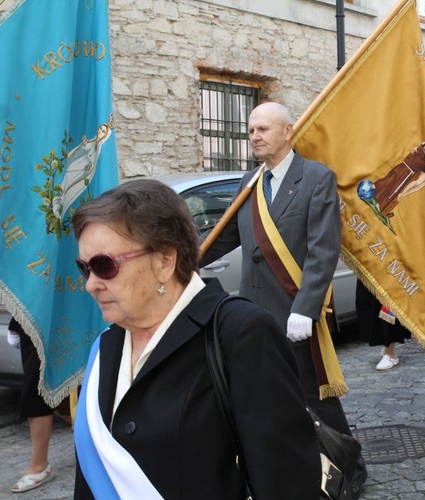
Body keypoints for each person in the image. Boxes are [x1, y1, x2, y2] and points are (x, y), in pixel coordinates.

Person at [71, 179, 321, 499]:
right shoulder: (105, 347)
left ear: (164, 260)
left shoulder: (240, 333)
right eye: (84, 268)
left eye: (104, 266)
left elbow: (287, 483)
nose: (91, 285)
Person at [199, 102, 367, 493]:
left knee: (314, 399)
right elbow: (224, 237)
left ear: (288, 131)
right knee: (264, 399)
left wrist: (305, 309)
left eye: (263, 129)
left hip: (295, 315)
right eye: (251, 130)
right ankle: (288, 468)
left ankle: (350, 470)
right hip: (254, 313)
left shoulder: (315, 178)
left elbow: (323, 249)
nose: (254, 137)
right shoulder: (249, 182)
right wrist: (180, 259)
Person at [7, 317, 56, 494]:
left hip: (78, 305)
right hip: (38, 316)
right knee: (36, 383)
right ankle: (39, 465)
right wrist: (15, 322)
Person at [355, 280, 411, 371]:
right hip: (368, 268)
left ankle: (390, 353)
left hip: (387, 270)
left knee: (387, 306)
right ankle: (385, 341)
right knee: (366, 301)